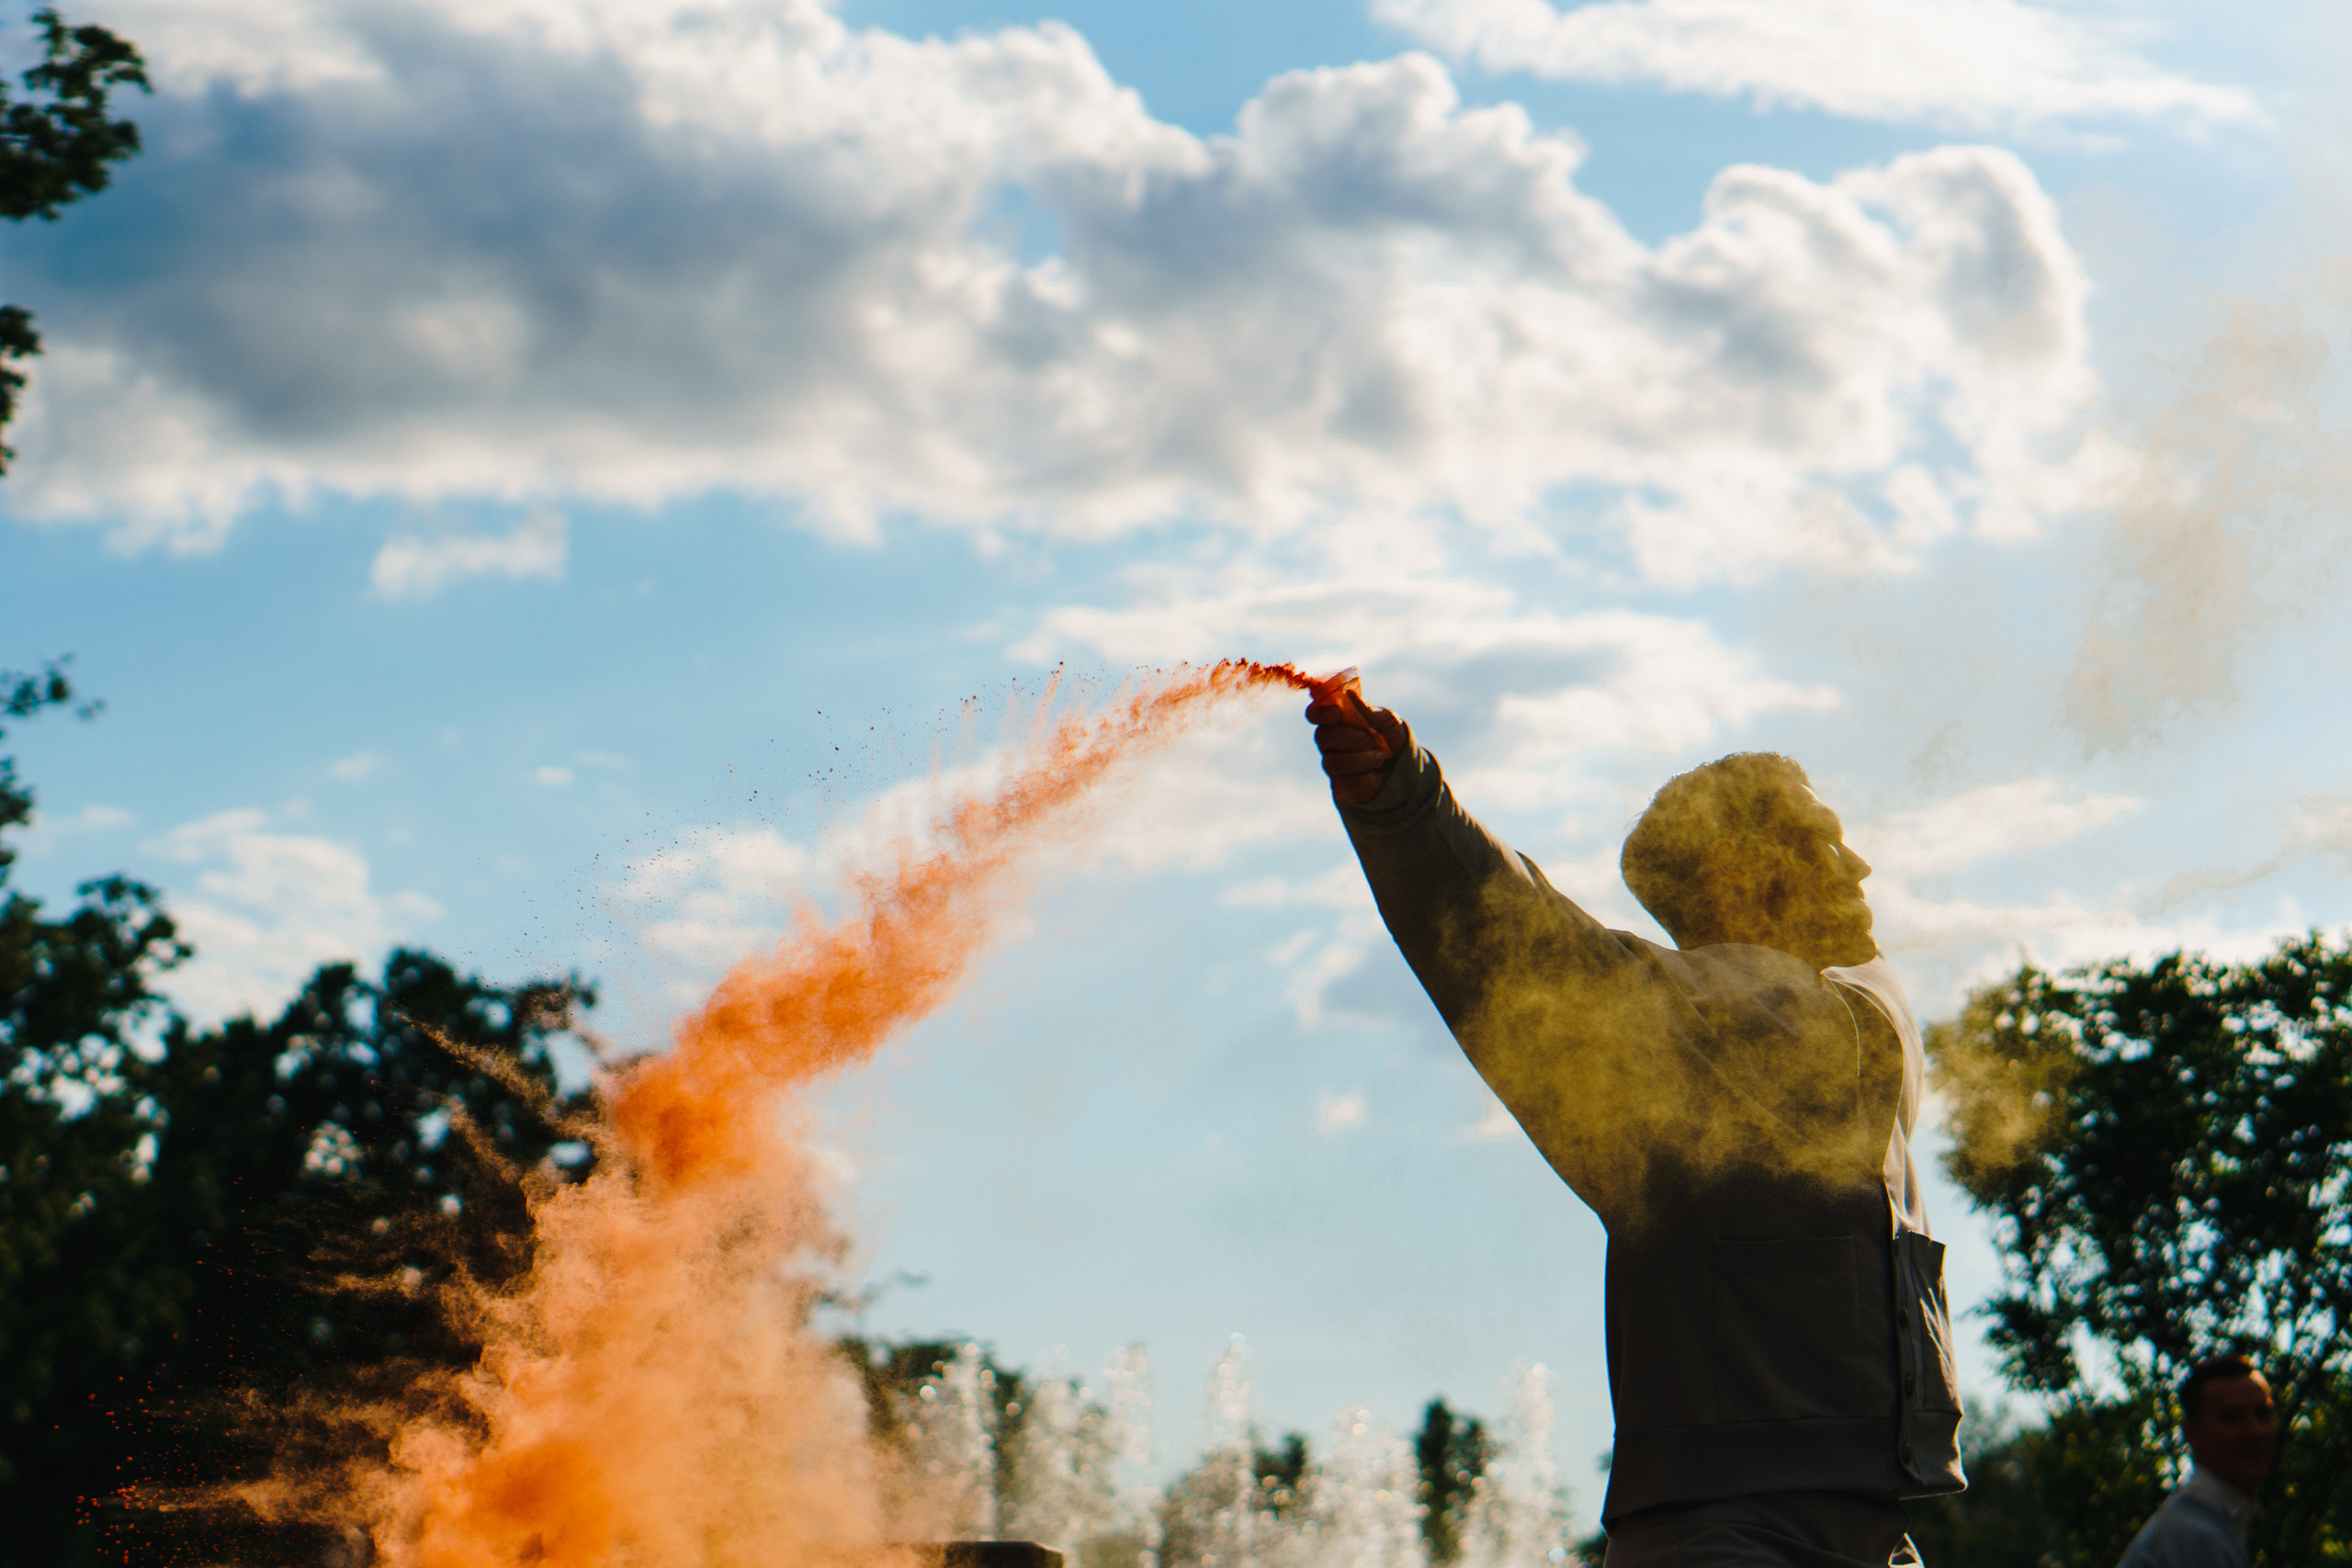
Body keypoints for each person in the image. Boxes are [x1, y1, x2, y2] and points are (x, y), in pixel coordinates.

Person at [1307, 683, 1965, 1568]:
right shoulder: (1668, 1046)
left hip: (1876, 1538)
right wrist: (1408, 803)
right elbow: (1523, 940)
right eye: (1822, 841)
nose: (1859, 867)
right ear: (1736, 870)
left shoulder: (1847, 1027)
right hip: (1729, 1544)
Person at [2115, 1358, 2276, 1568]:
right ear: (2191, 1433)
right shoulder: (2196, 1539)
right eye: (2231, 1417)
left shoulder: (2206, 1524)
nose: (2254, 1431)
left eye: (2263, 1414)